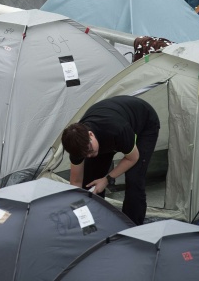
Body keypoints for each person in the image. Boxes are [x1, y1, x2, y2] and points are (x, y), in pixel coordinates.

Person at [61, 95, 160, 225]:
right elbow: (76, 182)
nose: (90, 155)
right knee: (90, 182)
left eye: (90, 150)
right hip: (108, 131)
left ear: (90, 134)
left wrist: (107, 179)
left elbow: (132, 158)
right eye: (86, 155)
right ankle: (94, 223)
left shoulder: (117, 129)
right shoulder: (77, 144)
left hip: (144, 123)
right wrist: (79, 212)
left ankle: (132, 227)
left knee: (134, 178)